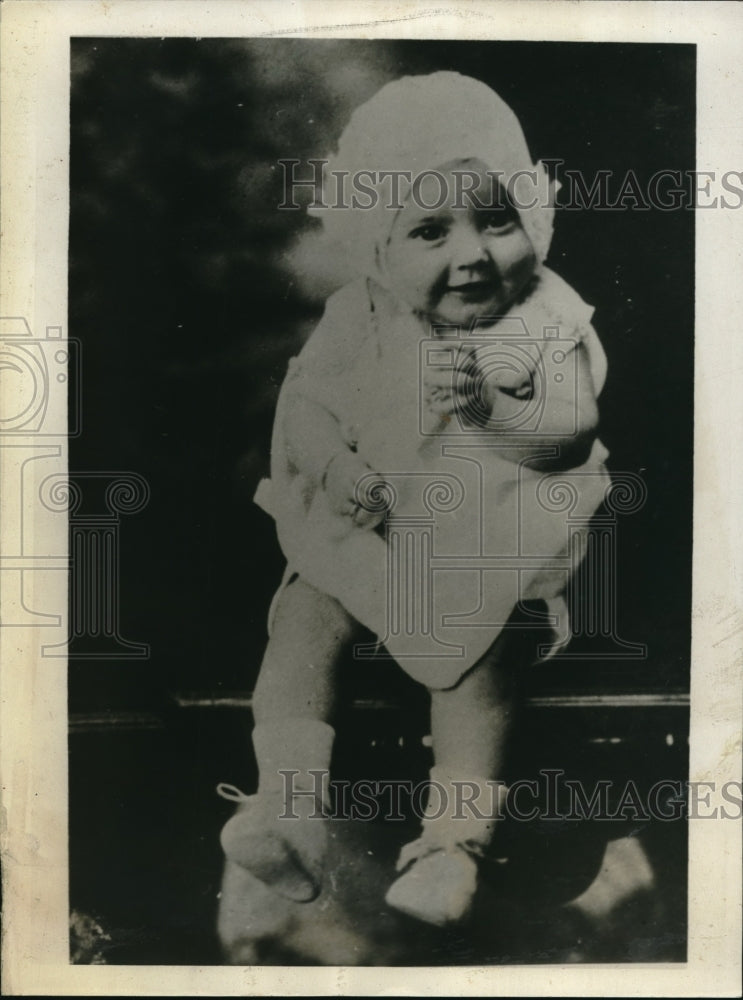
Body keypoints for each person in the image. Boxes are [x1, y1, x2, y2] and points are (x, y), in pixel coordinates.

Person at [217, 71, 611, 927]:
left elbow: (570, 435)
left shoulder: (543, 318)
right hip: (379, 531)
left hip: (493, 539)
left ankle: (451, 845)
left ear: (532, 219)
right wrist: (336, 469)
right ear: (379, 250)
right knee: (303, 616)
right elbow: (307, 409)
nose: (470, 254)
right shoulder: (360, 314)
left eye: (496, 220)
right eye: (430, 231)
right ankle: (287, 807)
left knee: (482, 656)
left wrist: (492, 411)